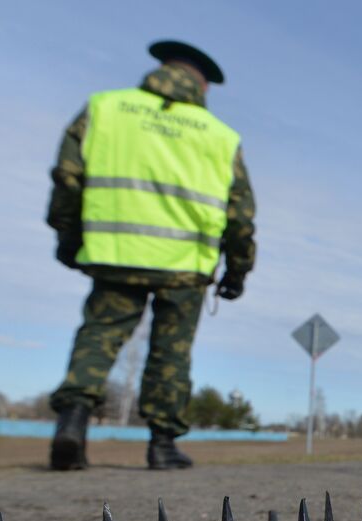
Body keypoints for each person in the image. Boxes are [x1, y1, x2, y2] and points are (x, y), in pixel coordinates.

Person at [46, 40, 255, 471]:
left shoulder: (106, 108)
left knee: (99, 335)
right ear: (202, 85)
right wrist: (238, 270)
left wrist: (68, 236)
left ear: (160, 69)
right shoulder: (219, 136)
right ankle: (162, 445)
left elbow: (68, 175)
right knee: (170, 352)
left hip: (116, 250)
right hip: (186, 265)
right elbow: (241, 215)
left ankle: (73, 423)